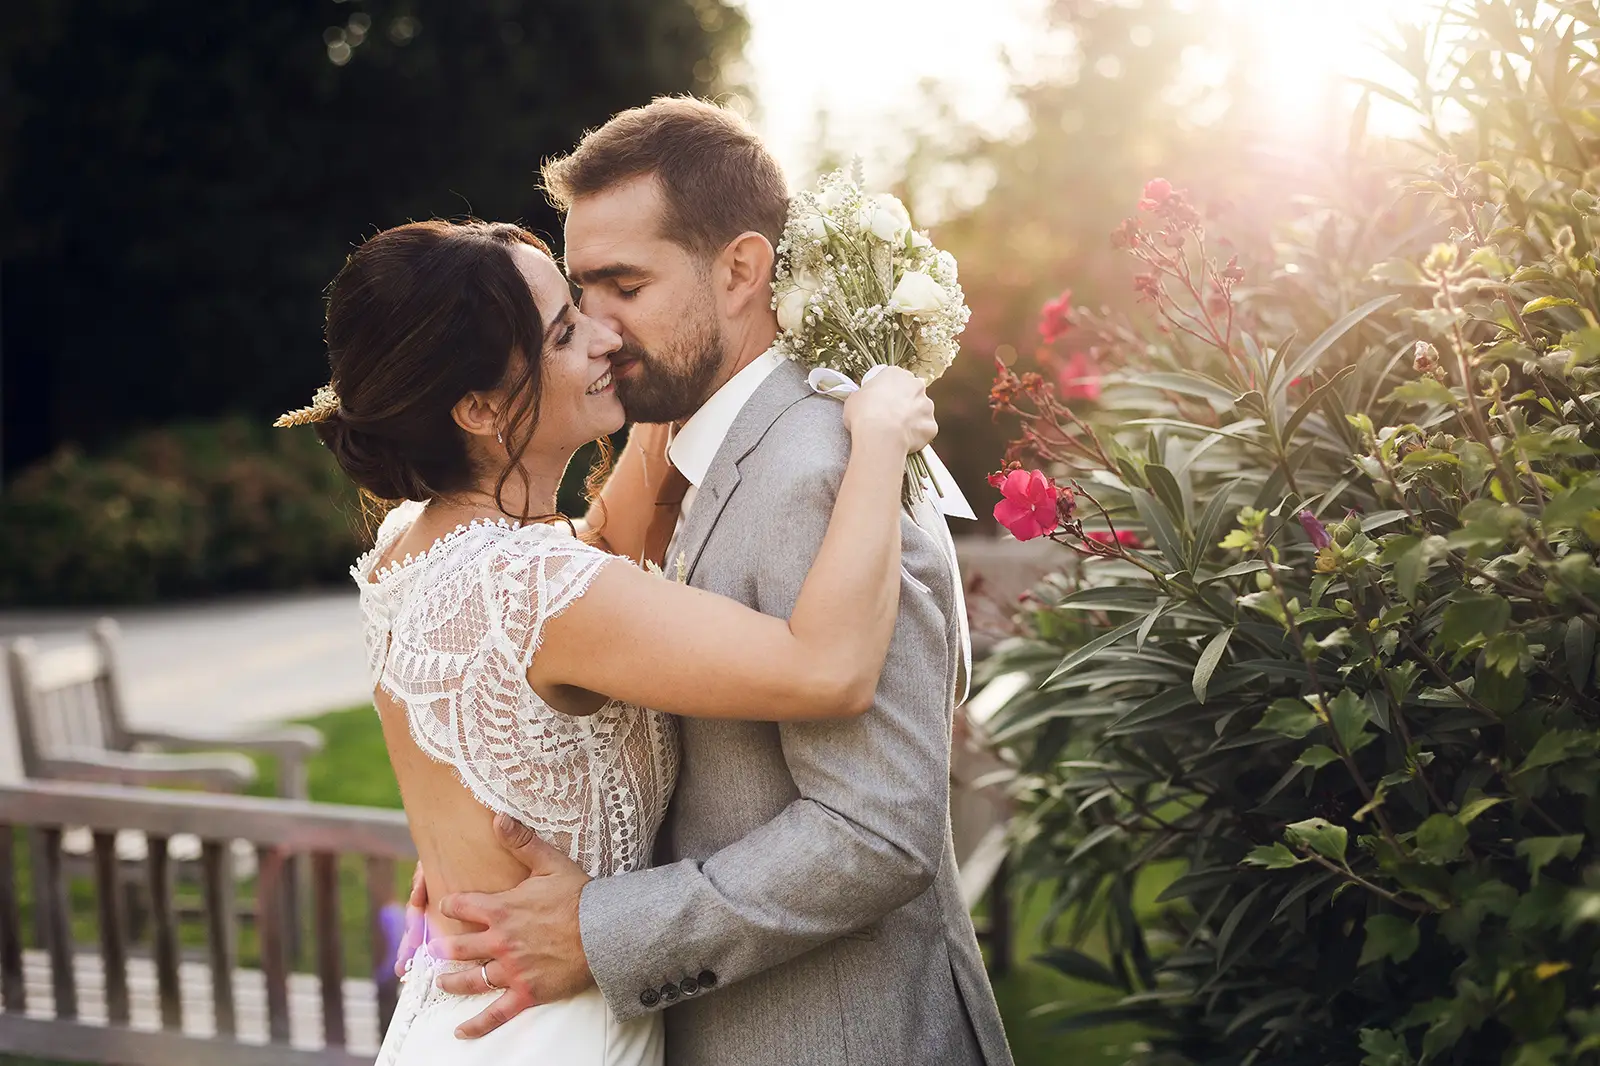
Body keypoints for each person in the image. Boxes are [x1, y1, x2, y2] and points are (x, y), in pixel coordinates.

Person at [411, 98, 1014, 1066]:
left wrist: (602, 932)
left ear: (740, 270)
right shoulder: (683, 439)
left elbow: (878, 829)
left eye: (625, 286)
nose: (596, 329)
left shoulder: (819, 468)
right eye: (581, 291)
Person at [275, 217, 938, 1066]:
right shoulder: (539, 590)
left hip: (463, 1017)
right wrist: (879, 438)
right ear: (479, 409)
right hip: (549, 1035)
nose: (605, 334)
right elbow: (829, 669)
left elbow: (606, 536)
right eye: (563, 332)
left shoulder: (420, 538)